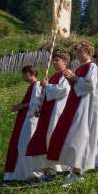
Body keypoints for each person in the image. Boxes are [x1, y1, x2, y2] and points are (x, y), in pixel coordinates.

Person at [47, 41, 98, 186]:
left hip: (84, 106)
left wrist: (74, 78)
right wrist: (71, 79)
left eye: (80, 52)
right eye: (76, 53)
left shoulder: (92, 66)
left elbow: (89, 85)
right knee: (72, 137)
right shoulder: (81, 67)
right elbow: (77, 86)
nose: (77, 55)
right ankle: (75, 171)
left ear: (88, 52)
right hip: (75, 104)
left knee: (79, 137)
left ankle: (77, 172)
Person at [26, 51, 70, 179]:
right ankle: (48, 171)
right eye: (54, 60)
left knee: (52, 139)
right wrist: (40, 106)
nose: (54, 62)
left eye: (58, 60)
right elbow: (45, 95)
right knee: (42, 140)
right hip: (46, 113)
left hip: (56, 113)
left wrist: (47, 86)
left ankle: (58, 169)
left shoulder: (65, 75)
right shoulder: (52, 76)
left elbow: (63, 91)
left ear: (65, 62)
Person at [3, 65, 42, 182]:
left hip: (31, 119)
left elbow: (36, 103)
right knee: (20, 145)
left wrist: (21, 106)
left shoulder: (37, 85)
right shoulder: (32, 86)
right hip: (25, 118)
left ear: (31, 73)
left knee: (25, 145)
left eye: (24, 73)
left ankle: (33, 173)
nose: (23, 76)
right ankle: (22, 173)